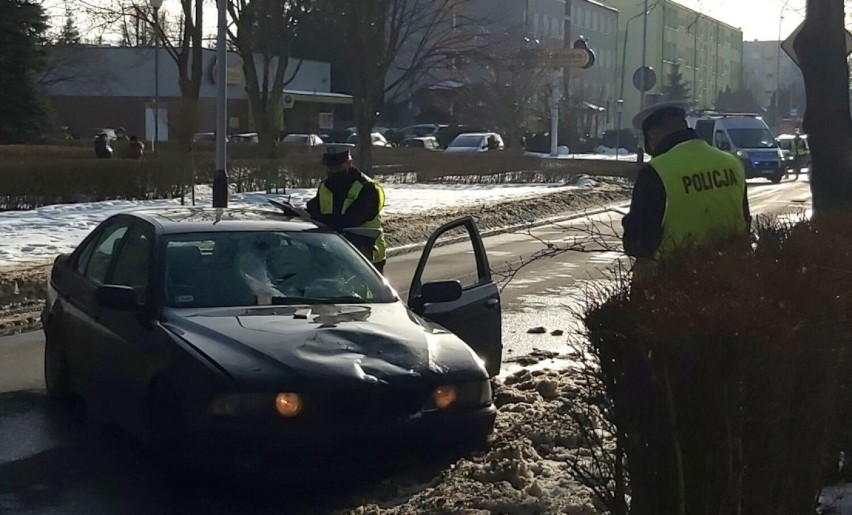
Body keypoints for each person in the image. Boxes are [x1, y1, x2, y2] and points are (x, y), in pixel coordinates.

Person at [622, 101, 751, 277]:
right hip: (731, 273)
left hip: (677, 279)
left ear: (652, 135)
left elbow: (640, 242)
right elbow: (744, 220)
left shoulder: (656, 171)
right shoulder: (731, 163)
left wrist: (629, 223)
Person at [306, 144, 387, 272]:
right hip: (335, 253)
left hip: (366, 254)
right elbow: (314, 207)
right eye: (329, 168)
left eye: (337, 167)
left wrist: (315, 217)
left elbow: (350, 220)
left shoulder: (367, 188)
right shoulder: (325, 186)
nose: (333, 171)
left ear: (349, 163)